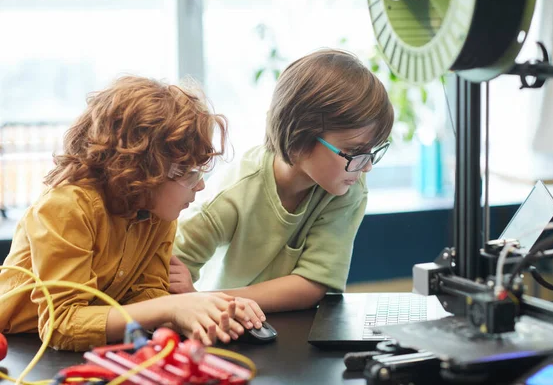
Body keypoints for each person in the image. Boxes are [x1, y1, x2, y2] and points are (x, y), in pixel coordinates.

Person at [0, 76, 248, 351]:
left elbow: (147, 293)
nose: (200, 185)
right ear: (144, 170)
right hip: (20, 346)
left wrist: (203, 311)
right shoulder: (66, 207)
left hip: (89, 345)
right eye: (189, 174)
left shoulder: (157, 210)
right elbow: (62, 324)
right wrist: (171, 307)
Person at [170, 48, 394, 327]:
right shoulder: (234, 193)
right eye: (354, 151)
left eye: (372, 151)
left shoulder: (348, 186)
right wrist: (204, 303)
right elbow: (173, 274)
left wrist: (214, 299)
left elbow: (313, 284)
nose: (367, 166)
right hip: (230, 329)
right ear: (300, 135)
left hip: (300, 329)